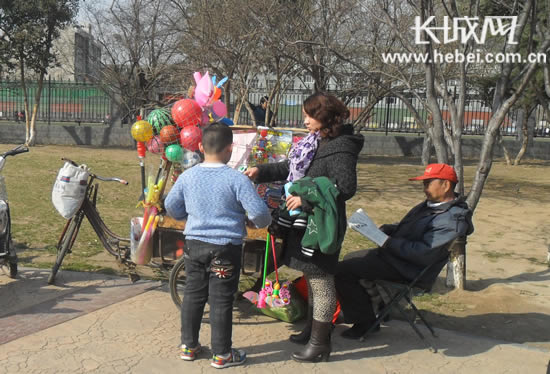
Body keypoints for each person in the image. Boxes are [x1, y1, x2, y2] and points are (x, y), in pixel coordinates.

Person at [244, 92, 364, 362]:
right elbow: (292, 168)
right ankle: (312, 328)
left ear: (325, 117)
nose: (305, 119)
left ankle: (320, 344)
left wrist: (307, 198)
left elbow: (345, 187)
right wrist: (259, 172)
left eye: (310, 115)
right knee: (311, 277)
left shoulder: (342, 145)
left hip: (321, 226)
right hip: (304, 223)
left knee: (321, 280)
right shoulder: (314, 141)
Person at [164, 122, 272, 369]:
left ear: (200, 146)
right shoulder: (237, 179)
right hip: (226, 247)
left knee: (192, 294)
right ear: (230, 149)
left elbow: (171, 206)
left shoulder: (187, 176)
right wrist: (249, 220)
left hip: (194, 245)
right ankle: (222, 353)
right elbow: (261, 215)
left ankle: (188, 346)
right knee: (221, 300)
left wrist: (188, 217)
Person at [334, 163, 474, 339]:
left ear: (445, 185)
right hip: (397, 258)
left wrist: (387, 242)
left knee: (342, 270)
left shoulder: (451, 220)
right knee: (352, 258)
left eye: (427, 183)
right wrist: (384, 229)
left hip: (409, 269)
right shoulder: (430, 206)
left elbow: (422, 254)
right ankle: (379, 307)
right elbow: (409, 229)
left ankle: (365, 322)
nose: (424, 188)